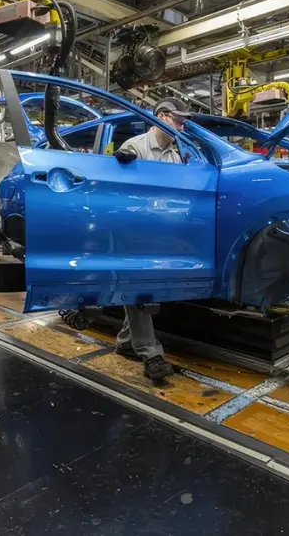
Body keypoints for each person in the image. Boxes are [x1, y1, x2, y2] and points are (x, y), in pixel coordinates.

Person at [112, 97, 193, 382]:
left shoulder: (176, 154)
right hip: (133, 229)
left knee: (145, 290)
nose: (182, 125)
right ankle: (150, 352)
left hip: (159, 230)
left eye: (184, 120)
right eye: (177, 119)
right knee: (139, 288)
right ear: (160, 115)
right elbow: (118, 172)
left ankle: (125, 342)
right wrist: (123, 162)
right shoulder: (137, 145)